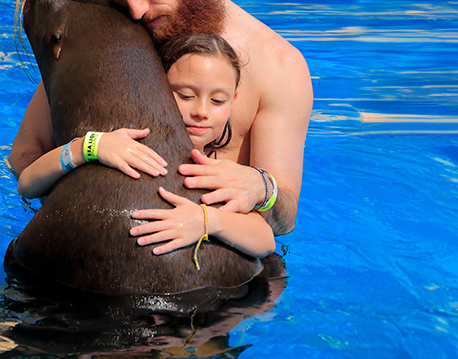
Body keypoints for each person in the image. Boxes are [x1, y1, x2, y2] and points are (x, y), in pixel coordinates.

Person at [9, 0, 312, 236]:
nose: (135, 9)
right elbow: (25, 154)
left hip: (214, 261)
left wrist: (262, 189)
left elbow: (285, 217)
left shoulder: (278, 66)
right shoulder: (111, 38)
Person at [17, 33, 275, 259]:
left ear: (233, 101)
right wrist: (89, 146)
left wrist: (207, 221)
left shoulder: (217, 172)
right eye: (185, 95)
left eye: (218, 101)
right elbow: (27, 185)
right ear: (157, 89)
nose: (201, 111)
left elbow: (265, 240)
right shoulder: (121, 143)